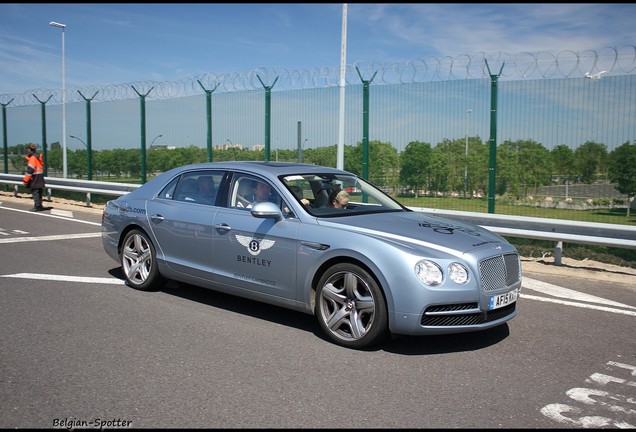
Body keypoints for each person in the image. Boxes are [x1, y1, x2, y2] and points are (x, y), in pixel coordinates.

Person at [22, 143, 48, 212]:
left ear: (29, 150)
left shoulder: (32, 158)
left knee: (35, 192)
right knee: (39, 192)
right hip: (40, 177)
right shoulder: (38, 157)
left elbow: (30, 170)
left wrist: (25, 180)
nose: (27, 151)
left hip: (35, 178)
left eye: (28, 149)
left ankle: (37, 206)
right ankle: (39, 205)